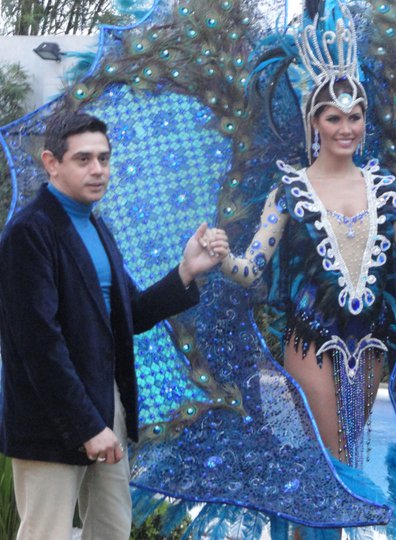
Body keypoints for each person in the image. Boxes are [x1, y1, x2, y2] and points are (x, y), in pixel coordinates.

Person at [216, 15, 396, 469]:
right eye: (334, 118)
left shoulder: (385, 189)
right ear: (315, 122)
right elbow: (250, 269)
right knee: (333, 458)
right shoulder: (289, 191)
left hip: (370, 341)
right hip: (310, 338)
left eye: (354, 117)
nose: (346, 128)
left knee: (348, 459)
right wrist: (221, 257)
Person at [0, 111, 229, 540]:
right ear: (51, 163)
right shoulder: (29, 233)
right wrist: (86, 425)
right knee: (46, 533)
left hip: (107, 403)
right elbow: (38, 346)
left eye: (103, 158)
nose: (98, 170)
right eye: (83, 159)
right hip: (50, 414)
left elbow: (130, 315)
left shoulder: (97, 228)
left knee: (111, 530)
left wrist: (185, 271)